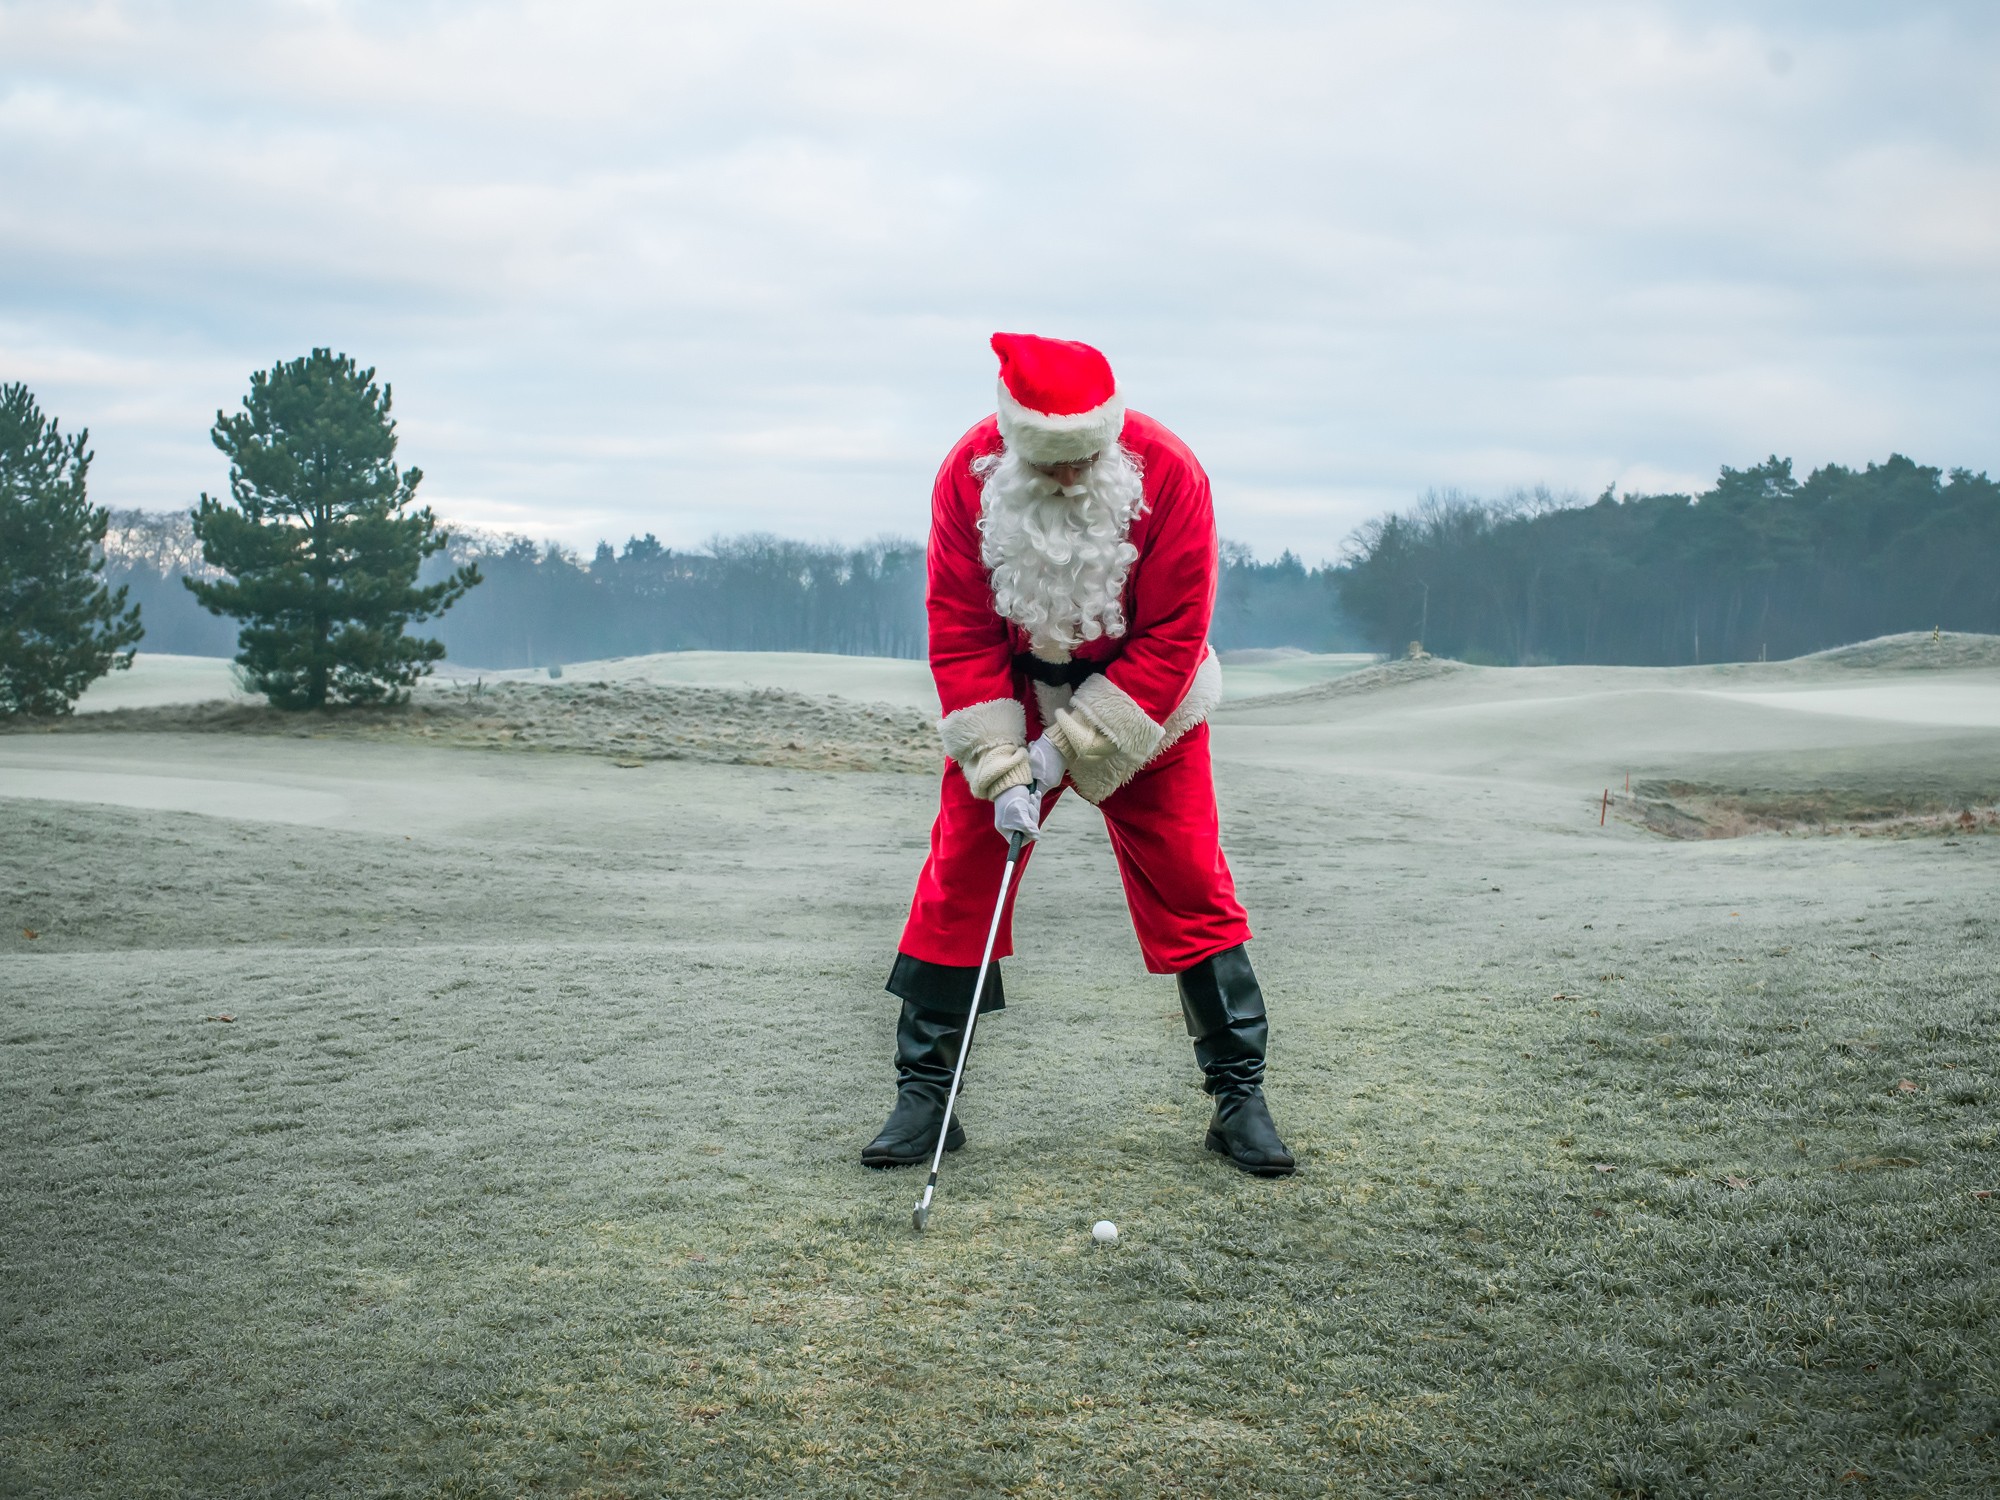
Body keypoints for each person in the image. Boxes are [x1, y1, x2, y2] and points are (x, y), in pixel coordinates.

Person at [861, 332, 1295, 1177]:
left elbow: (1176, 634)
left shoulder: (1170, 472)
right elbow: (958, 623)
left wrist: (1069, 752)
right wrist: (1000, 766)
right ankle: (926, 1098)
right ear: (1015, 443)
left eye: (1084, 459)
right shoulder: (968, 475)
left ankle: (1239, 1099)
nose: (1069, 477)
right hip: (1011, 694)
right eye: (1052, 462)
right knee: (959, 878)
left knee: (1192, 883)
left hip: (1145, 702)